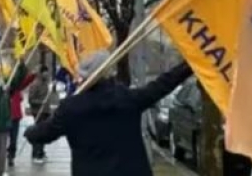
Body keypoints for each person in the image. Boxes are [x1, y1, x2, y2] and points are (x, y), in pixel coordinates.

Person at [24, 50, 192, 176]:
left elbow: (44, 133)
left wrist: (30, 132)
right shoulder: (128, 99)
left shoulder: (71, 107)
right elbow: (163, 84)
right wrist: (189, 65)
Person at [7, 71, 36, 168]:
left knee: (13, 139)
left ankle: (11, 156)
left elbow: (26, 81)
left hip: (15, 116)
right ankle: (4, 156)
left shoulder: (16, 88)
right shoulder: (5, 88)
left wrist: (33, 74)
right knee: (4, 139)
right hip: (5, 117)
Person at [28, 65, 52, 163]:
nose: (47, 75)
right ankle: (36, 154)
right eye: (45, 72)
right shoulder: (35, 84)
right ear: (41, 73)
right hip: (38, 112)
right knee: (39, 133)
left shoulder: (45, 83)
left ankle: (41, 152)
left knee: (43, 133)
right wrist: (40, 102)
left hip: (45, 111)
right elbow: (31, 99)